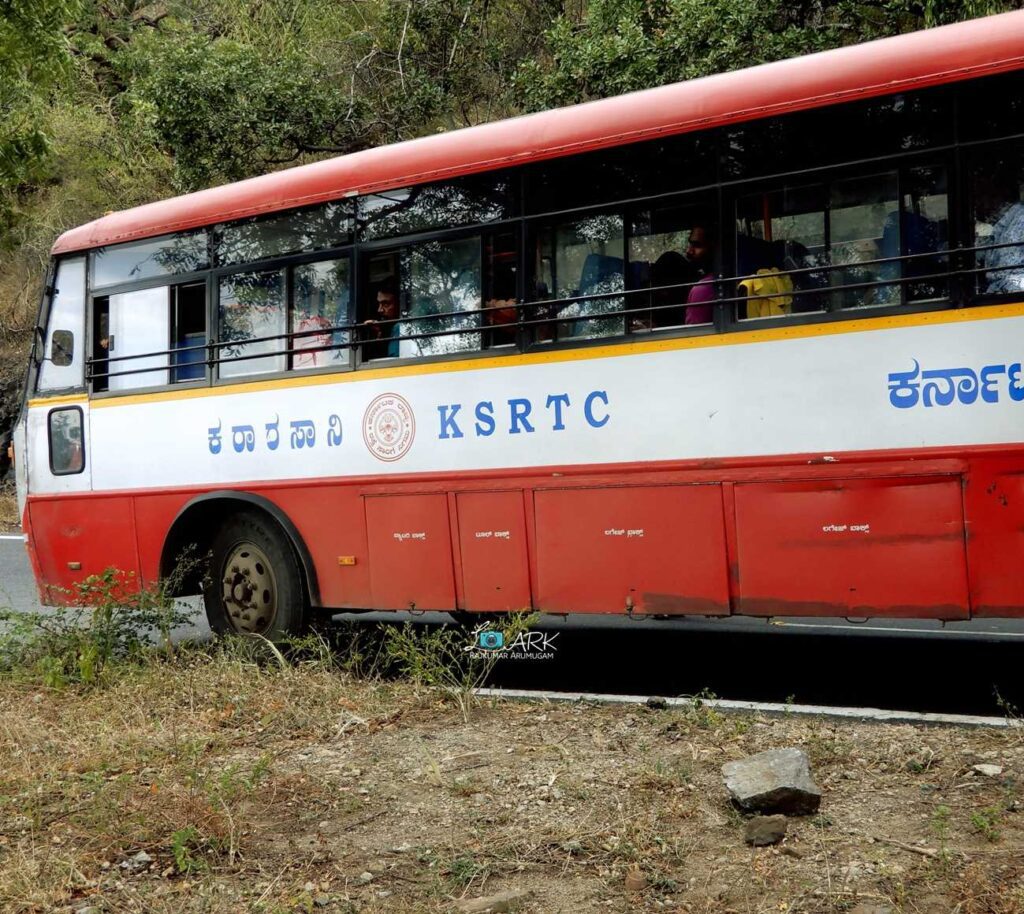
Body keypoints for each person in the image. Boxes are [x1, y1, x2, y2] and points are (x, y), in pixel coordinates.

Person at [684, 226, 717, 324]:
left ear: (714, 248)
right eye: (690, 244)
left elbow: (692, 335)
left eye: (697, 245)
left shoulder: (703, 289)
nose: (689, 251)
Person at [362, 284, 400, 361]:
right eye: (379, 304)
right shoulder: (383, 330)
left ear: (399, 303)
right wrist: (379, 333)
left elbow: (392, 362)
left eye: (385, 304)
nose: (380, 310)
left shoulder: (399, 327)